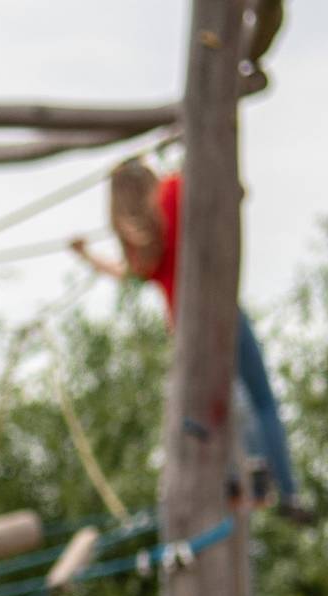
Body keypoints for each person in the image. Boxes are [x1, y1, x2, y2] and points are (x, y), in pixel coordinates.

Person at [71, 159, 310, 524]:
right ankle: (280, 485)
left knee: (212, 406)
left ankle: (234, 475)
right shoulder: (172, 191)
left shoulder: (140, 241)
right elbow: (227, 183)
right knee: (259, 401)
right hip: (221, 308)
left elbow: (126, 275)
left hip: (185, 329)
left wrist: (86, 256)